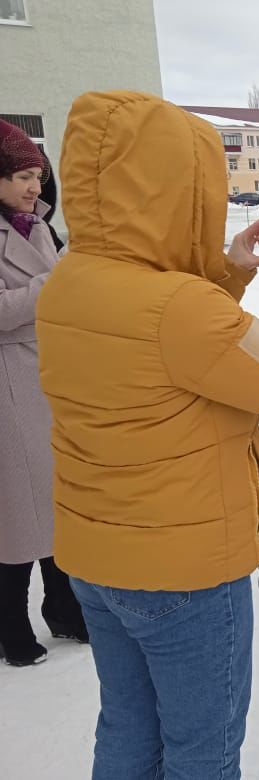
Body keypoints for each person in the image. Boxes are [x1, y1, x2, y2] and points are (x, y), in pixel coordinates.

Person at [36, 91, 259, 777]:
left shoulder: (69, 281)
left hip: (95, 558)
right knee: (200, 753)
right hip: (183, 576)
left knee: (126, 726)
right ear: (182, 192)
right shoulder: (179, 309)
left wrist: (226, 269)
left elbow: (162, 343)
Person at [0, 119, 88, 667]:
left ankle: (65, 612)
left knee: (58, 505)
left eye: (38, 176)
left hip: (51, 378)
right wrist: (50, 287)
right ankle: (11, 628)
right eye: (24, 175)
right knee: (17, 517)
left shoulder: (40, 227)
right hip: (10, 384)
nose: (35, 186)